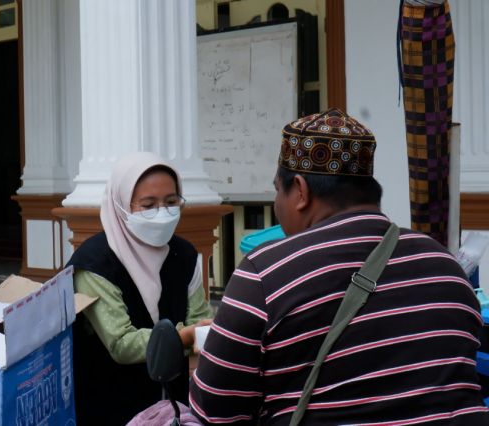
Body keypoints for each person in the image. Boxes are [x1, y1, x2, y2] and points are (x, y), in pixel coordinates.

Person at [189, 109, 489, 424]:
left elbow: (216, 410)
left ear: (301, 191)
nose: (278, 203)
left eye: (279, 190)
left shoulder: (265, 273)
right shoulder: (446, 266)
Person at [67, 152, 212, 425]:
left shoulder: (184, 254)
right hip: (112, 402)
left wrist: (203, 331)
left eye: (171, 202)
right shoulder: (95, 264)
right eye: (148, 205)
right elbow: (121, 344)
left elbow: (198, 316)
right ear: (120, 206)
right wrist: (184, 337)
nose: (162, 212)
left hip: (172, 403)